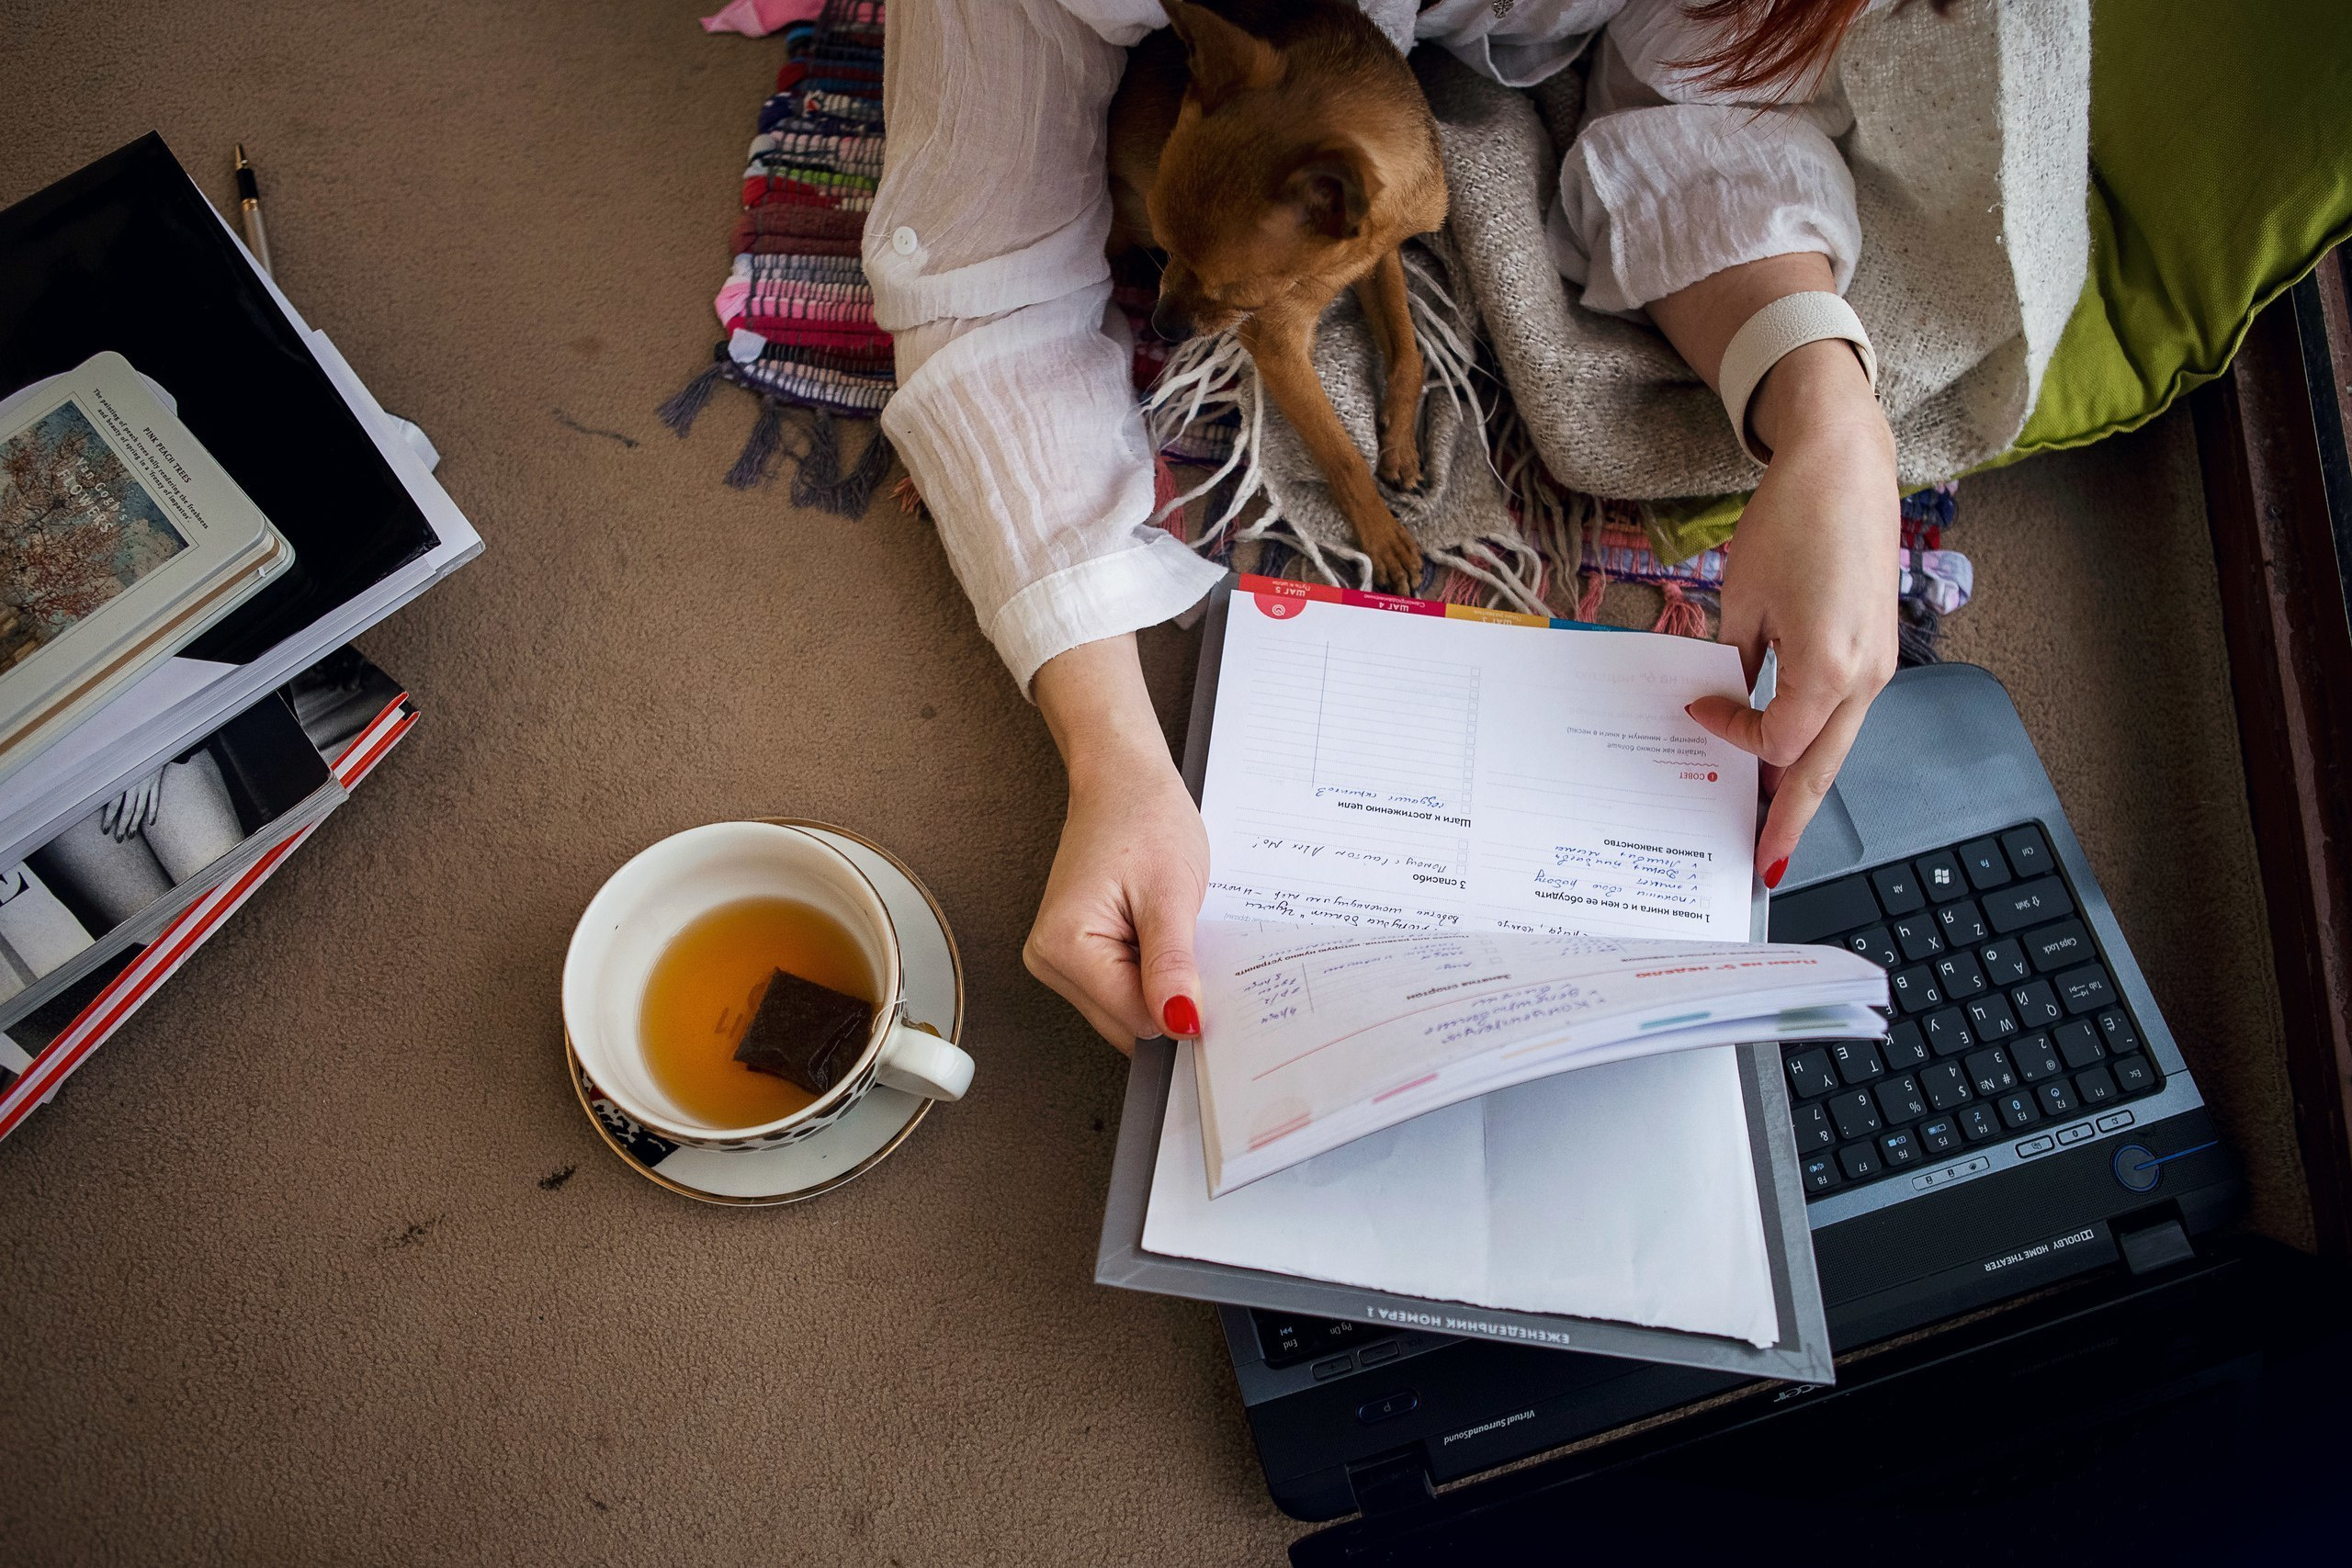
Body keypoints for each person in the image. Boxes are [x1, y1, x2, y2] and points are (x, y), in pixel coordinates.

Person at [868, 0, 1902, 1051]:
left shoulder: (1368, 185)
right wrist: (1114, 759)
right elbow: (978, 280)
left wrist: (1832, 419)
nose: (1175, 309)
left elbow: (1706, 98)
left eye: (1212, 286)